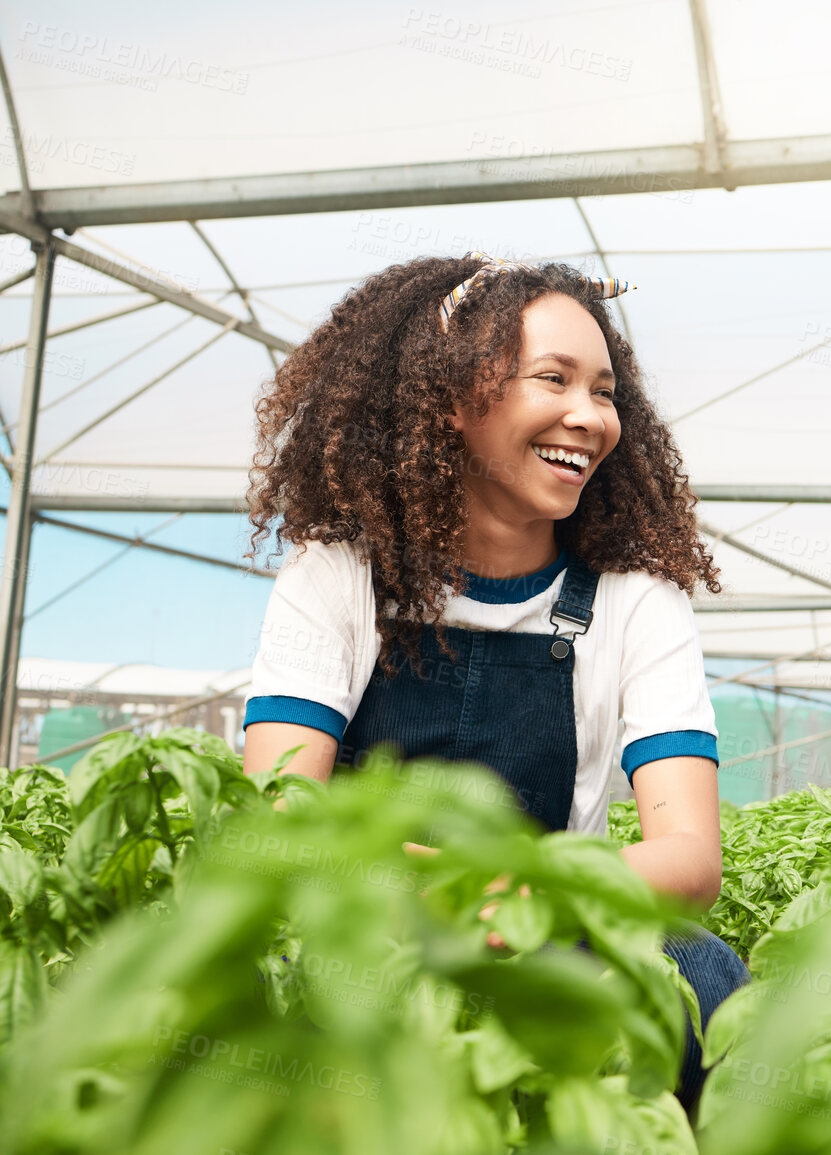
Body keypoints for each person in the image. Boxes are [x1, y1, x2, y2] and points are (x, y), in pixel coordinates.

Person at [240, 252, 745, 1108]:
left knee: (702, 972)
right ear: (447, 395)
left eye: (606, 391)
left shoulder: (634, 602)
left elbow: (690, 858)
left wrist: (531, 891)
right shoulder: (338, 575)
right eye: (553, 378)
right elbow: (280, 812)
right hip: (364, 919)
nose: (588, 416)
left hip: (556, 931)